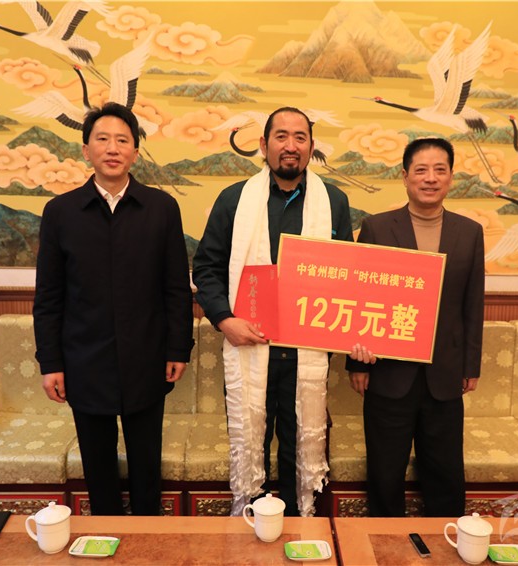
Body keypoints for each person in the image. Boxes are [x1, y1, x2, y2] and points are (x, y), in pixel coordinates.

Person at [33, 102, 194, 516]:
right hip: (84, 361)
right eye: (102, 139)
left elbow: (176, 288)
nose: (112, 148)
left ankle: (148, 538)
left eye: (123, 140)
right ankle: (104, 534)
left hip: (146, 358)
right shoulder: (60, 213)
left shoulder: (161, 208)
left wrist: (179, 349)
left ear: (135, 152)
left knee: (146, 464)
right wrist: (51, 362)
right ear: (85, 150)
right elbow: (49, 297)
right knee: (98, 467)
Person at [192, 107, 354, 517]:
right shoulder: (234, 200)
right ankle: (253, 526)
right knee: (254, 444)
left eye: (300, 137)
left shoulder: (333, 202)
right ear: (264, 145)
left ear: (311, 147)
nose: (291, 146)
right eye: (281, 136)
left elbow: (347, 274)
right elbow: (206, 267)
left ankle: (300, 527)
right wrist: (224, 319)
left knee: (300, 449)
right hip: (249, 345)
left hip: (306, 352)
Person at [347, 137, 484, 517]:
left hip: (445, 372)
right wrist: (356, 363)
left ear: (451, 177)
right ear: (405, 176)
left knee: (445, 471)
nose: (430, 178)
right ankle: (382, 542)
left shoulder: (469, 232)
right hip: (387, 372)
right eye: (421, 170)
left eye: (440, 170)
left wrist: (471, 365)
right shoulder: (376, 227)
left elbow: (473, 304)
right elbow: (359, 296)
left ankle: (446, 539)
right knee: (384, 471)